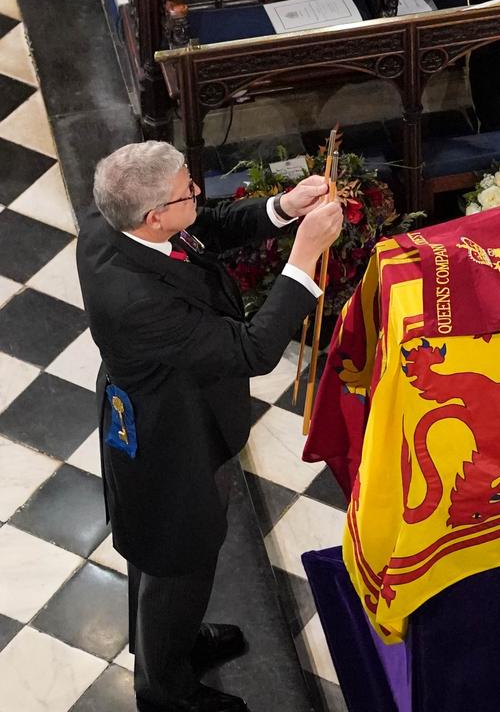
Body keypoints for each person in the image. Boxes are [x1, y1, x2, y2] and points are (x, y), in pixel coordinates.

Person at [77, 141, 343, 712]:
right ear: (153, 216)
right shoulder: (134, 300)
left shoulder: (117, 224)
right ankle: (166, 691)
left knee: (174, 558)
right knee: (177, 557)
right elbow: (251, 351)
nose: (198, 192)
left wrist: (283, 209)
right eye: (187, 191)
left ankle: (169, 646)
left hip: (178, 406)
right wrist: (303, 258)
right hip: (169, 440)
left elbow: (204, 231)